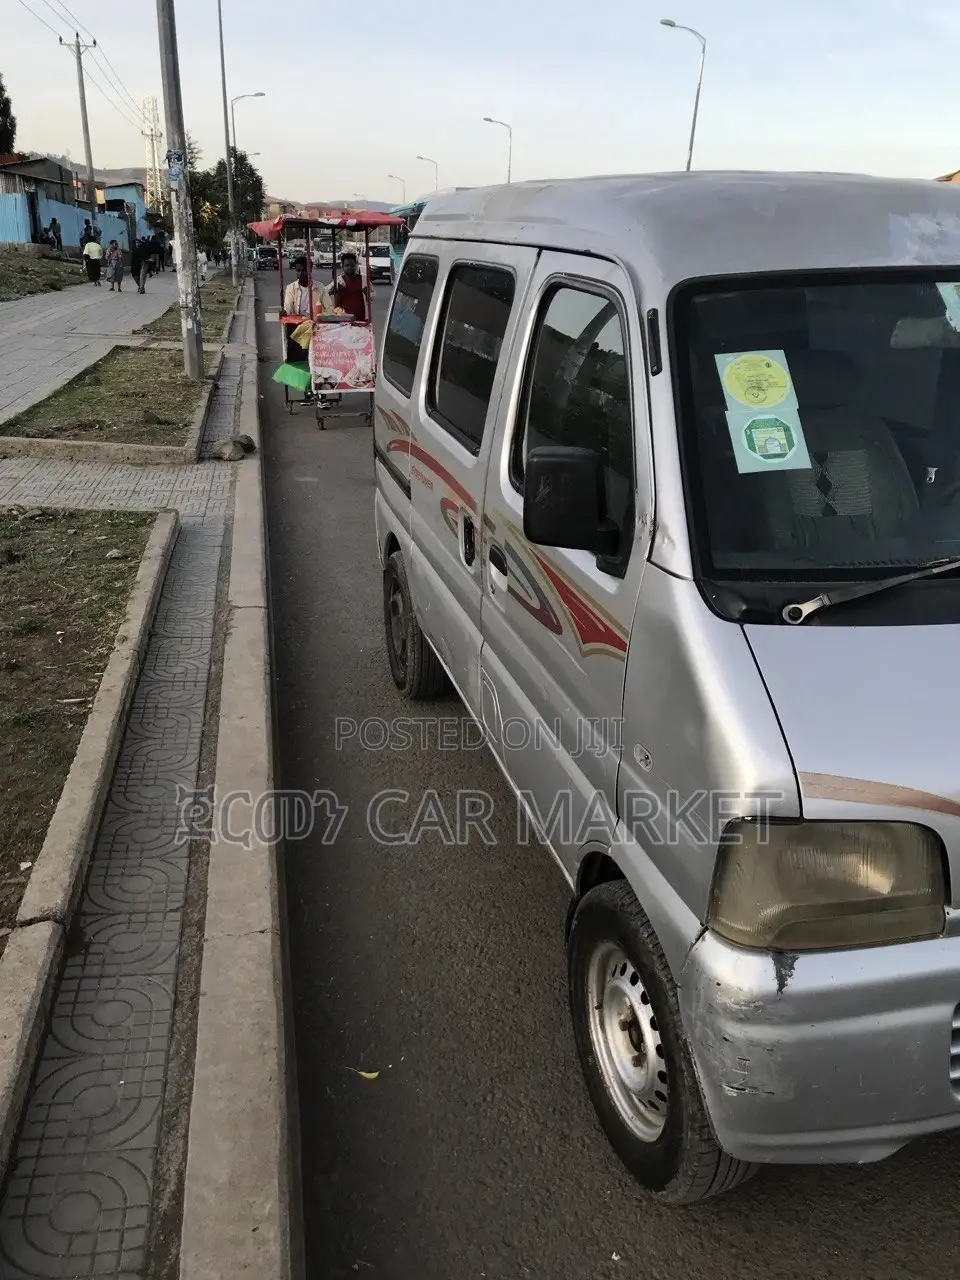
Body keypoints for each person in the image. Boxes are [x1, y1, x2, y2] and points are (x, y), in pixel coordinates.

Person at [282, 260, 315, 363]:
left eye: (304, 270)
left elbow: (328, 308)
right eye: (298, 270)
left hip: (314, 327)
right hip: (297, 327)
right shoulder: (291, 288)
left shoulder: (320, 287)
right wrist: (285, 313)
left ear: (310, 270)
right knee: (297, 359)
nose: (301, 273)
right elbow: (288, 307)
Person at [328, 251, 368, 321]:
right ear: (342, 266)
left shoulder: (364, 279)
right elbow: (325, 293)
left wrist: (367, 293)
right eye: (347, 265)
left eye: (352, 265)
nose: (350, 267)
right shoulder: (339, 280)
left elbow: (373, 294)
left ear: (356, 265)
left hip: (361, 319)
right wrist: (332, 290)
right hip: (343, 319)